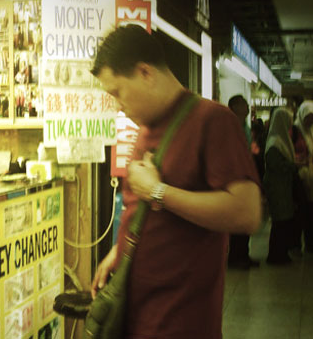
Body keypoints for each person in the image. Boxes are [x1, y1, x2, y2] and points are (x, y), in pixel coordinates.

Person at [89, 25, 261, 338]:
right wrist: (122, 250)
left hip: (179, 322)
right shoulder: (146, 128)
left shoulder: (213, 120)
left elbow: (248, 213)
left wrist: (158, 191)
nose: (116, 104)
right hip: (136, 314)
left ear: (145, 73)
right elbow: (146, 211)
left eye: (117, 92)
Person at [226, 95, 260, 269]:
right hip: (234, 178)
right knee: (237, 222)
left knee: (244, 222)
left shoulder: (244, 126)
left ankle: (243, 255)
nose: (247, 106)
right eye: (244, 104)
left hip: (245, 176)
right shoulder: (229, 126)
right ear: (235, 107)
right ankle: (235, 257)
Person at [264, 107, 298, 264]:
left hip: (282, 186)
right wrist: (294, 166)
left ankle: (281, 253)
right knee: (279, 220)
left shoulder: (281, 141)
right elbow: (275, 164)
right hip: (277, 186)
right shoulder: (274, 143)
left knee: (283, 220)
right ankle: (276, 255)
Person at [293, 101, 313, 253]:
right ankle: (297, 243)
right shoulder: (294, 131)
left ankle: (309, 242)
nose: (310, 120)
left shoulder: (310, 131)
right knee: (302, 210)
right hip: (300, 177)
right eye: (308, 117)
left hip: (310, 176)